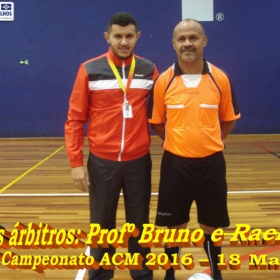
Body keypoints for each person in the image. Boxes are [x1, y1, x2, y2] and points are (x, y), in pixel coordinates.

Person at [65, 12, 158, 280]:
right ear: (108, 37)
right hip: (102, 162)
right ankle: (101, 276)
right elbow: (74, 120)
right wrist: (76, 163)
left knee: (139, 224)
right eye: (118, 36)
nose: (124, 41)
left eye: (129, 36)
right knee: (102, 225)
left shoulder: (149, 70)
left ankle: (141, 275)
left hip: (138, 161)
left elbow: (162, 114)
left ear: (137, 37)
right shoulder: (89, 69)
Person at [148, 19, 241, 280]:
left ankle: (217, 273)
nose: (187, 43)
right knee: (173, 224)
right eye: (182, 39)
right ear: (174, 44)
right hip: (175, 165)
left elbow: (229, 118)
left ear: (204, 41)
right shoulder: (163, 81)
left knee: (211, 224)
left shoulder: (219, 78)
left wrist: (210, 141)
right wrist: (178, 143)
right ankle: (169, 274)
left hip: (211, 164)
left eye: (193, 37)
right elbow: (157, 123)